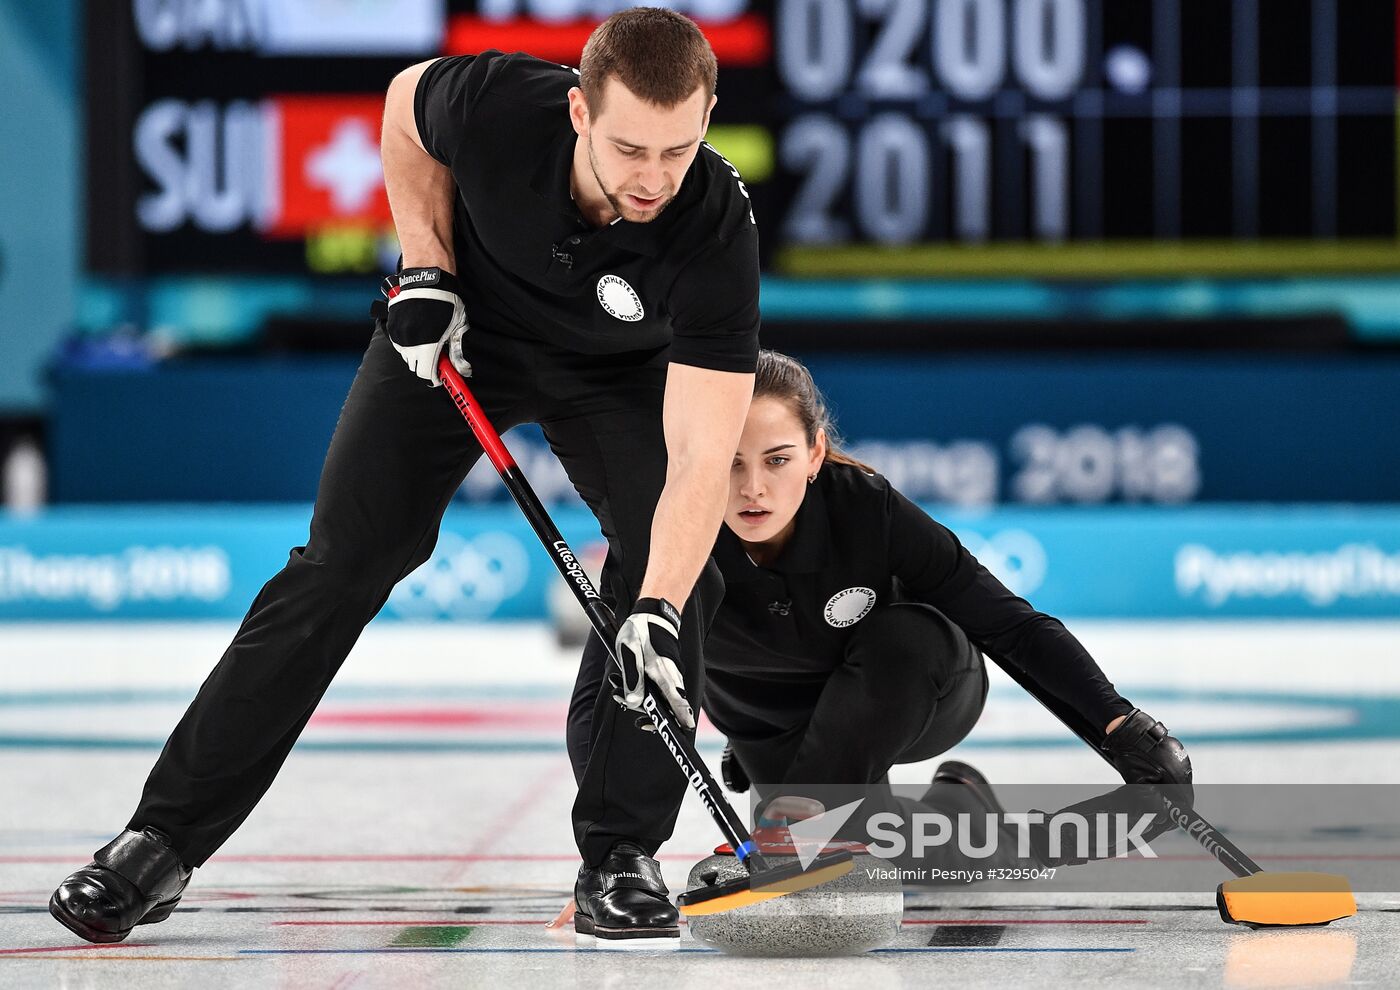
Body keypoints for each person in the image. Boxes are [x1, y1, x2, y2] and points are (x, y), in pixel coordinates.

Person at [50, 8, 759, 948]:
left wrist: (658, 609)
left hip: (612, 372)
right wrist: (427, 266)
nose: (654, 178)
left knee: (677, 576)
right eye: (631, 147)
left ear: (707, 118)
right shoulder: (505, 104)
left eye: (679, 149)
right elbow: (401, 108)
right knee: (343, 563)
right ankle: (160, 841)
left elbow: (705, 459)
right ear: (581, 112)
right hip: (461, 334)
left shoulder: (712, 227)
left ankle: (620, 856)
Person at [567, 349, 1193, 872]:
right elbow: (602, 693)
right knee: (906, 859)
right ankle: (961, 817)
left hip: (914, 691)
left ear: (814, 455)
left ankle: (808, 815)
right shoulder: (665, 533)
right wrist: (612, 853)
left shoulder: (865, 509)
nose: (753, 488)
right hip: (769, 725)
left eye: (776, 459)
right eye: (729, 462)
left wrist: (1124, 728)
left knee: (907, 636)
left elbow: (1010, 626)